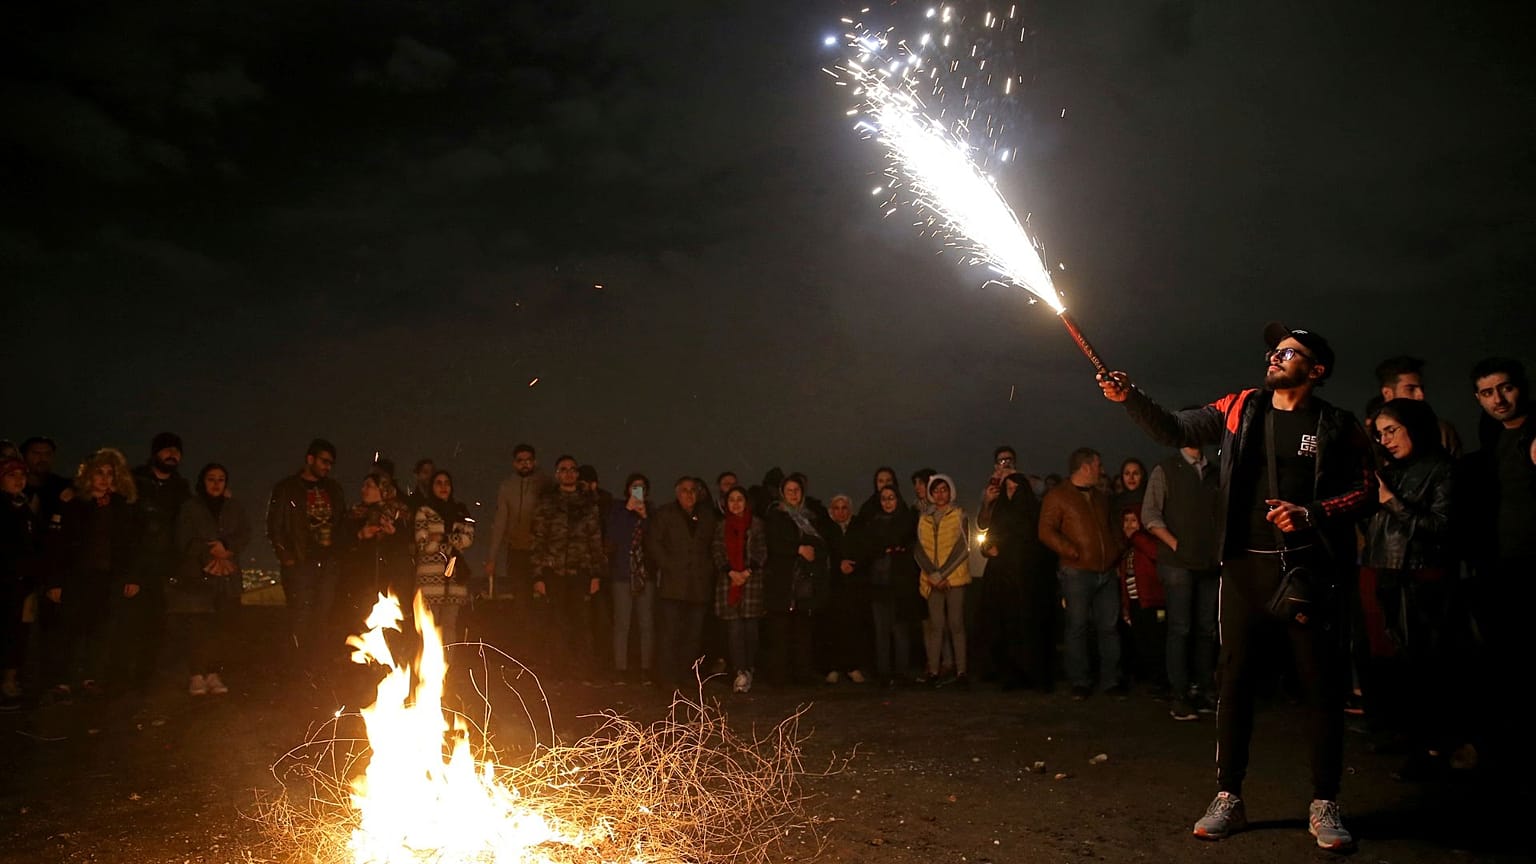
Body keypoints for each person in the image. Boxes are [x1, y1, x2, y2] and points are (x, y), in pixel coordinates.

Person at [1099, 321, 1374, 851]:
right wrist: (1129, 396)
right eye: (1275, 349)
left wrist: (1312, 513)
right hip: (1244, 570)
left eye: (1291, 352)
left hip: (1308, 572)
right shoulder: (1240, 406)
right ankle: (1229, 796)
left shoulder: (1339, 425)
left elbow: (1365, 492)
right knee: (1235, 683)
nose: (1276, 355)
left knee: (1320, 685)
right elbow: (1174, 429)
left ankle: (1324, 801)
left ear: (1315, 371)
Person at [1359, 398, 1457, 779]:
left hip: (1419, 575)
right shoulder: (1391, 470)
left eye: (1392, 430)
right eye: (1380, 433)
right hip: (1382, 570)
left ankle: (1429, 748)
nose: (1386, 440)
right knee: (1393, 664)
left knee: (1422, 664)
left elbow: (1441, 527)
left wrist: (1391, 502)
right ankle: (1405, 736)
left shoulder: (1441, 469)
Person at [1461, 356, 1536, 779]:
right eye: (1488, 393)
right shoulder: (1491, 436)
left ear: (1520, 387)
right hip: (1504, 566)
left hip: (1530, 563)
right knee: (1507, 664)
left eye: (1504, 388)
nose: (1498, 399)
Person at [1141, 438, 1223, 720]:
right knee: (1180, 627)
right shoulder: (1166, 470)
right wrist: (1176, 544)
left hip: (1208, 562)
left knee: (1205, 628)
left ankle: (1203, 689)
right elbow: (1150, 514)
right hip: (1177, 563)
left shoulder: (1214, 471)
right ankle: (1179, 694)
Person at [47, 448, 139, 698]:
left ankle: (91, 678)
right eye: (99, 472)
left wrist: (130, 576)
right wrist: (55, 581)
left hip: (107, 576)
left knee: (99, 628)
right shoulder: (74, 503)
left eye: (110, 473)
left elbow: (129, 543)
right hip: (77, 575)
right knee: (69, 628)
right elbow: (59, 544)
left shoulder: (120, 506)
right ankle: (64, 680)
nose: (104, 478)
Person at [1039, 448, 1124, 700]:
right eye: (1098, 464)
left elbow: (1112, 527)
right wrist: (1070, 551)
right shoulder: (1058, 496)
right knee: (1077, 626)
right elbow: (1045, 530)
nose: (1102, 469)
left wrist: (1116, 548)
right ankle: (1080, 681)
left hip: (1105, 570)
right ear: (1085, 467)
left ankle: (1111, 681)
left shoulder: (1101, 497)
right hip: (1076, 571)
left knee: (1108, 627)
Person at [171, 463, 251, 696]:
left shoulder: (233, 507)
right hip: (198, 577)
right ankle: (197, 674)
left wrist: (226, 548)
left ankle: (214, 673)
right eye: (211, 479)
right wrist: (210, 555)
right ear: (202, 482)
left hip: (227, 577)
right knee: (198, 627)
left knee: (222, 627)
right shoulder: (191, 507)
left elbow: (244, 533)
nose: (216, 484)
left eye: (220, 479)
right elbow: (183, 538)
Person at [266, 438, 346, 668]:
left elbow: (340, 522)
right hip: (300, 563)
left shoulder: (333, 489)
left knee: (322, 616)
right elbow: (274, 526)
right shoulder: (286, 488)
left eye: (330, 463)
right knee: (300, 616)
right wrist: (287, 557)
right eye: (323, 461)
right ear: (309, 459)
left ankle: (317, 667)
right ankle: (298, 667)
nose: (327, 466)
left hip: (328, 563)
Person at [121, 431, 191, 687]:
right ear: (155, 453)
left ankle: (144, 677)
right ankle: (118, 678)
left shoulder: (181, 488)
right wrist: (131, 572)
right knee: (127, 624)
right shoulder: (135, 482)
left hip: (163, 567)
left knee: (156, 626)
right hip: (135, 564)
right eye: (166, 450)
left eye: (176, 450)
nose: (172, 454)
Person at [530, 456, 603, 681]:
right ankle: (556, 672)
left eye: (572, 469)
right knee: (556, 623)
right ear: (557, 474)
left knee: (581, 623)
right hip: (554, 572)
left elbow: (595, 538)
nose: (569, 473)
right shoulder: (548, 502)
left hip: (581, 571)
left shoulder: (588, 502)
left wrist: (596, 574)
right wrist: (538, 575)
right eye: (564, 469)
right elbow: (538, 539)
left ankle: (582, 672)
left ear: (577, 474)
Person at [976, 467, 1050, 690]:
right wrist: (989, 549)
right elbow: (987, 539)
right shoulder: (1001, 512)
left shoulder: (1033, 514)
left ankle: (1030, 672)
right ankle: (1007, 672)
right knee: (1004, 628)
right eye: (1007, 489)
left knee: (1027, 627)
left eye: (1016, 489)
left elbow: (1038, 548)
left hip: (1027, 582)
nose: (1011, 493)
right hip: (1002, 582)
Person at [647, 477, 718, 689]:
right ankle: (666, 676)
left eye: (693, 490)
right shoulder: (665, 513)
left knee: (693, 634)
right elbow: (653, 542)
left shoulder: (706, 516)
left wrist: (708, 568)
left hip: (698, 585)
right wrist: (668, 565)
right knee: (670, 633)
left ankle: (686, 675)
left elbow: (713, 544)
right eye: (685, 490)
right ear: (677, 493)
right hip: (673, 585)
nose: (689, 494)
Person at [762, 473, 827, 685]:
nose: (793, 494)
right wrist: (797, 549)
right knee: (780, 631)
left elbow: (820, 544)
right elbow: (773, 544)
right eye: (789, 490)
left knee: (803, 630)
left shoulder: (811, 517)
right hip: (783, 582)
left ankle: (802, 673)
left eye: (797, 490)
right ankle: (779, 675)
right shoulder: (775, 515)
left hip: (806, 581)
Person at [854, 483, 919, 686]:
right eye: (884, 498)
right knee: (881, 630)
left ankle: (902, 672)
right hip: (878, 584)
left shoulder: (907, 520)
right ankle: (883, 672)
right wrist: (886, 548)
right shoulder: (873, 522)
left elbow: (906, 546)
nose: (888, 502)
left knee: (900, 631)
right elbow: (868, 548)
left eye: (891, 498)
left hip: (899, 584)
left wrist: (888, 547)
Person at [914, 474, 970, 687]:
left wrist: (943, 574)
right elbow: (919, 549)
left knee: (956, 624)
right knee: (936, 626)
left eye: (943, 489)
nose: (940, 494)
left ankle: (962, 671)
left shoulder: (959, 515)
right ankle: (934, 671)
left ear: (951, 492)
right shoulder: (924, 518)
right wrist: (932, 575)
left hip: (953, 579)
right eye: (935, 490)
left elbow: (963, 547)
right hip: (932, 579)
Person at [712, 486, 768, 693]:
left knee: (751, 629)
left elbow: (762, 551)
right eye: (732, 500)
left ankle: (749, 667)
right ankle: (739, 671)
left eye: (740, 499)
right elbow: (717, 550)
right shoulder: (721, 526)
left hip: (751, 581)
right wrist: (731, 572)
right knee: (734, 629)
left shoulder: (757, 524)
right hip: (729, 582)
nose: (736, 503)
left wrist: (746, 572)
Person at [1, 457, 44, 709]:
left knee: (17, 633)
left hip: (22, 583)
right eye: (11, 475)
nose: (19, 480)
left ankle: (11, 681)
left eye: (21, 475)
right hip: (5, 580)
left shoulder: (25, 508)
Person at [342, 472, 413, 621]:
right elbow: (342, 544)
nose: (363, 489)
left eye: (369, 485)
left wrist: (393, 533)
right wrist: (360, 535)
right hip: (362, 581)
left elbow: (407, 546)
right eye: (363, 485)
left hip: (392, 582)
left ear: (383, 489)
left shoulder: (400, 514)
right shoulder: (355, 514)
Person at [605, 473, 654, 685]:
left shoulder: (653, 512)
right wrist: (628, 511)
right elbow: (613, 537)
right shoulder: (618, 510)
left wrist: (645, 518)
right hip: (623, 574)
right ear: (627, 490)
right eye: (634, 487)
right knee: (622, 624)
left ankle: (646, 669)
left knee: (646, 624)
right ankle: (620, 669)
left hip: (645, 575)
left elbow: (656, 540)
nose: (638, 491)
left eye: (642, 487)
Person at [413, 470, 475, 640]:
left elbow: (467, 539)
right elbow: (423, 544)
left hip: (454, 580)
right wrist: (451, 540)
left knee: (449, 627)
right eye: (438, 483)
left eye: (446, 483)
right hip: (430, 580)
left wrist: (442, 537)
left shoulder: (461, 511)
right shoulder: (425, 511)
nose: (443, 487)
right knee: (429, 628)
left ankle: (448, 665)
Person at [1117, 506, 1167, 694]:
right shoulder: (1127, 549)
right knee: (1143, 642)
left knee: (1156, 642)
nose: (1129, 525)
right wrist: (1126, 607)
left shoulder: (1145, 542)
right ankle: (1149, 678)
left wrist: (1136, 536)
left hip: (1154, 602)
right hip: (1137, 602)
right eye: (1126, 521)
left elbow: (1155, 553)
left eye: (1133, 520)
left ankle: (1162, 682)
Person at [818, 493, 867, 684]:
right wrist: (838, 564)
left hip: (854, 584)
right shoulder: (826, 529)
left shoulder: (859, 527)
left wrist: (854, 565)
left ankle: (852, 666)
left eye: (844, 508)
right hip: (833, 585)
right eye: (836, 508)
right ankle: (833, 667)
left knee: (854, 627)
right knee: (833, 628)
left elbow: (865, 550)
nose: (840, 512)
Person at [485, 445, 546, 597]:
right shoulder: (507, 487)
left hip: (540, 551)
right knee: (520, 597)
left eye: (528, 460)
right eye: (520, 460)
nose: (525, 464)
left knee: (542, 599)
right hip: (516, 551)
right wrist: (492, 558)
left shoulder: (545, 484)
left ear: (535, 462)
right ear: (514, 463)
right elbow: (500, 521)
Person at [1374, 355, 1462, 457]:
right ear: (1387, 393)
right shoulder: (1371, 438)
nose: (1420, 395)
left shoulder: (1443, 430)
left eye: (1422, 389)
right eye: (1410, 389)